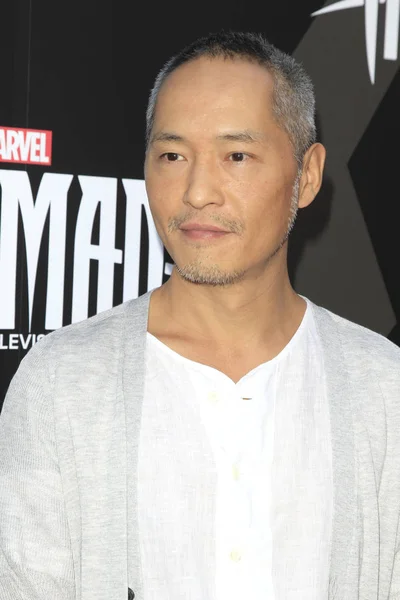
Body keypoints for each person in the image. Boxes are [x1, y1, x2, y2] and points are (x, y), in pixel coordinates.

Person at [0, 30, 399, 600]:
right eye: (172, 156)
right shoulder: (61, 383)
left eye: (236, 155)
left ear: (307, 176)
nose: (196, 192)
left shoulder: (383, 388)